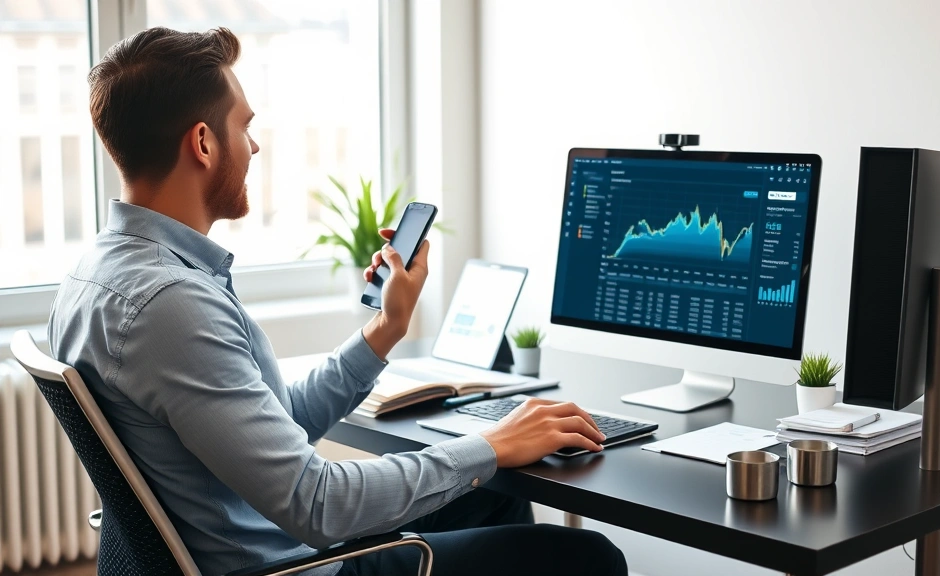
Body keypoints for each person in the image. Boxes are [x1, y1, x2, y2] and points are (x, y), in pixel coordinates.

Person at [48, 26, 628, 576]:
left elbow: (273, 427)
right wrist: (489, 445)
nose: (253, 146)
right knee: (588, 556)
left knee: (491, 502)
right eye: (244, 126)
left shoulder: (95, 275)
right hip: (291, 564)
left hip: (254, 543)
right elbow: (316, 504)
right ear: (202, 142)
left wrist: (386, 328)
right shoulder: (170, 304)